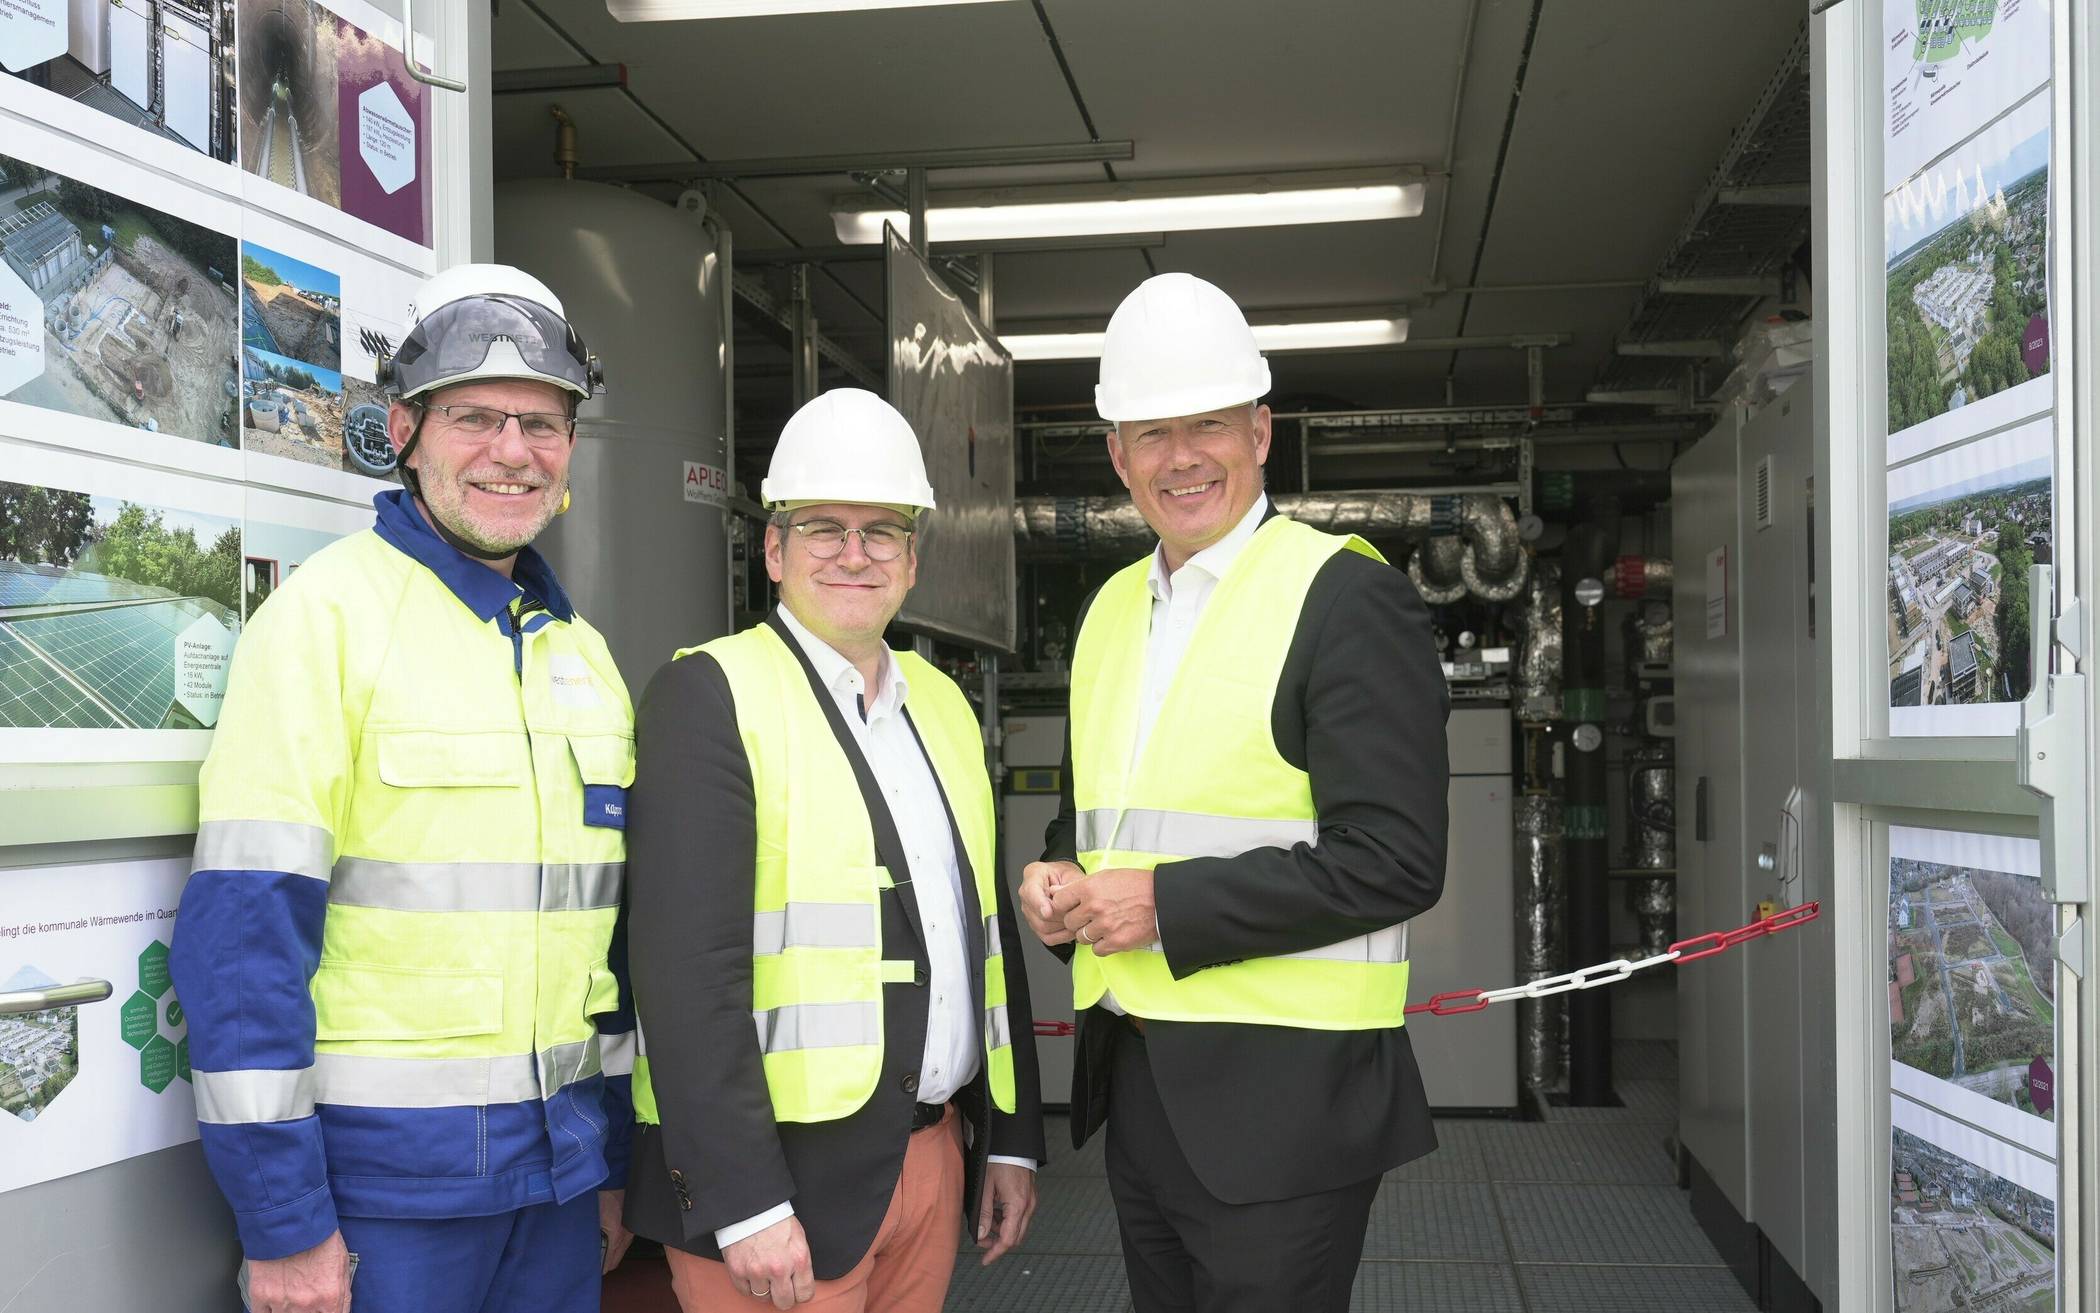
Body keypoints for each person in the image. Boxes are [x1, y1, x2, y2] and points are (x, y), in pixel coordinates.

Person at [170, 264, 637, 1313]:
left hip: (557, 1191)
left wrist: (607, 1167)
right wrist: (284, 1221)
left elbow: (599, 952)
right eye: (475, 417)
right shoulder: (323, 624)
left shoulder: (585, 659)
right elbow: (243, 942)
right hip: (380, 1203)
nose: (512, 451)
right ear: (407, 430)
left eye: (542, 422)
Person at [1016, 272, 1450, 1313]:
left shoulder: (1346, 598)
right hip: (1139, 1083)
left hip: (1287, 1104)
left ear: (1260, 430)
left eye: (1206, 423)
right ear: (1116, 452)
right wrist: (1059, 879)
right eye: (1150, 432)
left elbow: (1395, 857)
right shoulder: (1112, 608)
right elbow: (1100, 810)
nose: (1181, 457)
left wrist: (1161, 904)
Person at [624, 388, 1045, 1311]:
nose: (854, 554)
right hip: (781, 1190)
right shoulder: (709, 694)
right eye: (822, 528)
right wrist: (743, 1202)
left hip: (932, 1158)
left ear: (912, 558)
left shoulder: (938, 703)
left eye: (881, 531)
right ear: (773, 550)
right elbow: (685, 973)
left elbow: (982, 937)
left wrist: (1008, 1134)